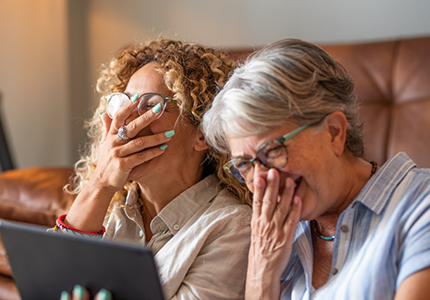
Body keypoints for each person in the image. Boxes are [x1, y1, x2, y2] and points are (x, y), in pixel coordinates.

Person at [202, 38, 430, 300]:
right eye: (244, 164)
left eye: (273, 150)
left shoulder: (419, 205)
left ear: (334, 132)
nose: (262, 179)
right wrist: (260, 274)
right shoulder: (270, 238)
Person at [56, 39, 252, 300]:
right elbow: (50, 281)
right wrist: (100, 183)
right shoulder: (107, 209)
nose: (127, 122)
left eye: (151, 105)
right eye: (124, 103)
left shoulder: (232, 226)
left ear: (204, 133)